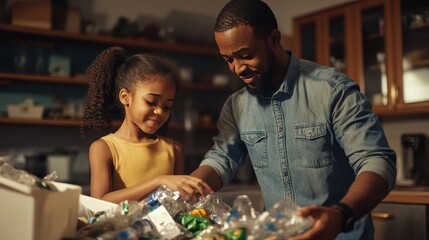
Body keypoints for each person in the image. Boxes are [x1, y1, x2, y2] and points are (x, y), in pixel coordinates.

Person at [190, 0, 397, 239]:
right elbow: (221, 159)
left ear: (275, 39)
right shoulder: (237, 106)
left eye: (245, 55)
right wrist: (189, 187)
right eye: (228, 60)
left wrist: (341, 214)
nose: (237, 68)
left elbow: (377, 161)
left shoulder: (332, 90)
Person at [81, 46, 212, 204]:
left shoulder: (174, 150)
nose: (159, 111)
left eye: (167, 107)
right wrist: (158, 181)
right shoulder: (104, 148)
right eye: (151, 102)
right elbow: (100, 202)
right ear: (125, 97)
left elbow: (178, 204)